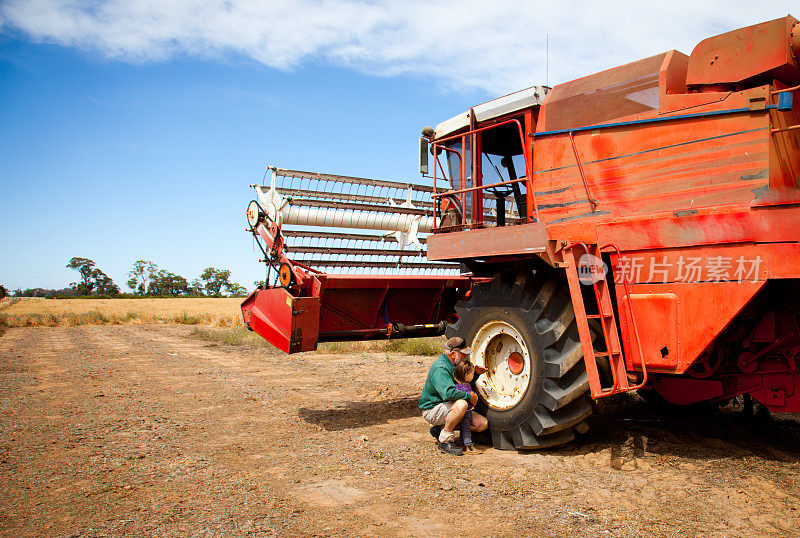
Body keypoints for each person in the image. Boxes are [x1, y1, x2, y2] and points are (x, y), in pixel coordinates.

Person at [419, 336, 488, 456]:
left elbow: (461, 384)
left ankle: (440, 429)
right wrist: (469, 396)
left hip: (447, 406)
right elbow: (448, 393)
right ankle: (445, 441)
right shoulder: (441, 368)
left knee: (482, 423)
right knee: (462, 404)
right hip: (433, 409)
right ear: (452, 354)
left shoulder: (454, 364)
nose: (465, 357)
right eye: (462, 354)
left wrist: (476, 374)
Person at [453, 360, 477, 452]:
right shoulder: (460, 387)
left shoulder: (466, 384)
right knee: (466, 428)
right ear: (465, 375)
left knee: (464, 429)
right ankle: (468, 446)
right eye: (472, 374)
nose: (473, 376)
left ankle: (463, 444)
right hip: (465, 412)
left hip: (468, 411)